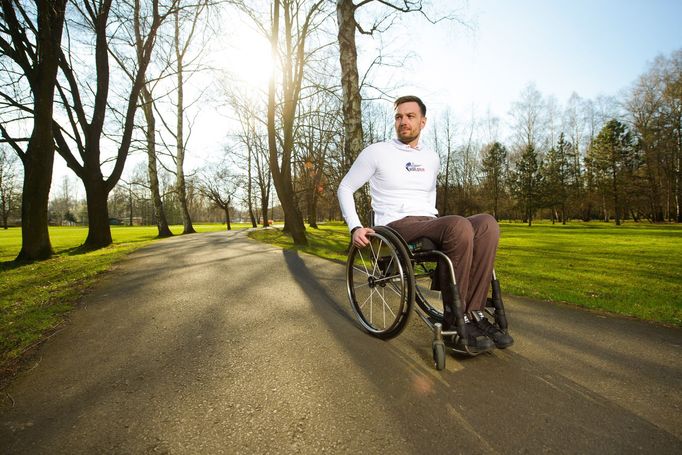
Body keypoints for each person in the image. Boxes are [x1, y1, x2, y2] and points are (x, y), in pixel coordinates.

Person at [337, 95, 513, 354]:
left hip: (430, 222)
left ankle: (473, 313)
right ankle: (456, 319)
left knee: (487, 223)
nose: (403, 122)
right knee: (457, 225)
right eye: (398, 117)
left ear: (423, 121)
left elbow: (428, 199)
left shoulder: (431, 157)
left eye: (410, 116)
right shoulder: (376, 152)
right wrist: (355, 227)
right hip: (396, 225)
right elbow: (345, 188)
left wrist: (436, 223)